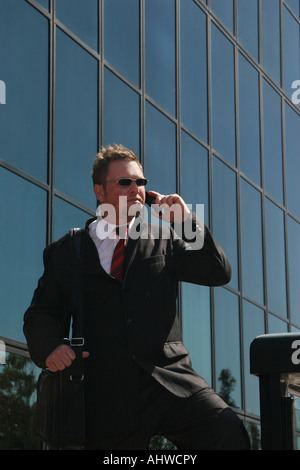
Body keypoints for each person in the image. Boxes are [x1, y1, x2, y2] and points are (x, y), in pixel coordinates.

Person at [23, 144, 250, 450]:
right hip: (106, 394)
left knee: (227, 430)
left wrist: (185, 221)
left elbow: (217, 271)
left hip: (169, 380)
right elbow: (42, 314)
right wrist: (50, 346)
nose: (136, 189)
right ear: (99, 192)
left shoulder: (165, 239)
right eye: (124, 182)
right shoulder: (67, 251)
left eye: (140, 182)